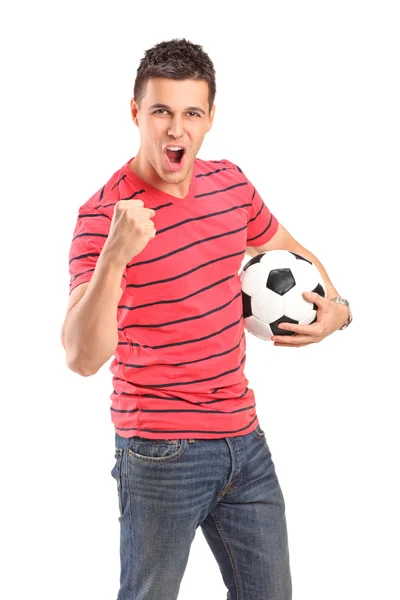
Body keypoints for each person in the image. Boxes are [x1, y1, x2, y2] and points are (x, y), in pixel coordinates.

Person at [61, 38, 352, 600]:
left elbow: (291, 252)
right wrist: (115, 257)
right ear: (135, 114)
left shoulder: (231, 186)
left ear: (210, 117)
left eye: (191, 113)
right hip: (159, 452)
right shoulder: (103, 217)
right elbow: (81, 357)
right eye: (162, 112)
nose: (177, 131)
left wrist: (338, 312)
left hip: (244, 443)